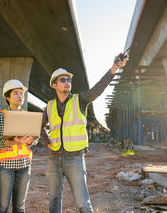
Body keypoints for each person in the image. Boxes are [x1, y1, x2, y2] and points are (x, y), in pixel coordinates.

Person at [40, 53, 129, 213]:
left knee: (82, 203)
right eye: (63, 80)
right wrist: (47, 142)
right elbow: (39, 127)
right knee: (54, 200)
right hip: (54, 159)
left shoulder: (80, 100)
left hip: (75, 159)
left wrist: (114, 68)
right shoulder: (49, 106)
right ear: (54, 85)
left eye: (69, 80)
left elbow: (98, 89)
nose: (67, 82)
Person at [0, 79, 38, 213]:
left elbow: (33, 139)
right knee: (3, 206)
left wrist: (30, 141)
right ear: (8, 97)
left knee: (20, 207)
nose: (20, 96)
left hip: (24, 166)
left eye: (21, 94)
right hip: (5, 166)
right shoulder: (2, 115)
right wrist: (17, 142)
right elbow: (1, 141)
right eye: (16, 93)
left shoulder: (27, 116)